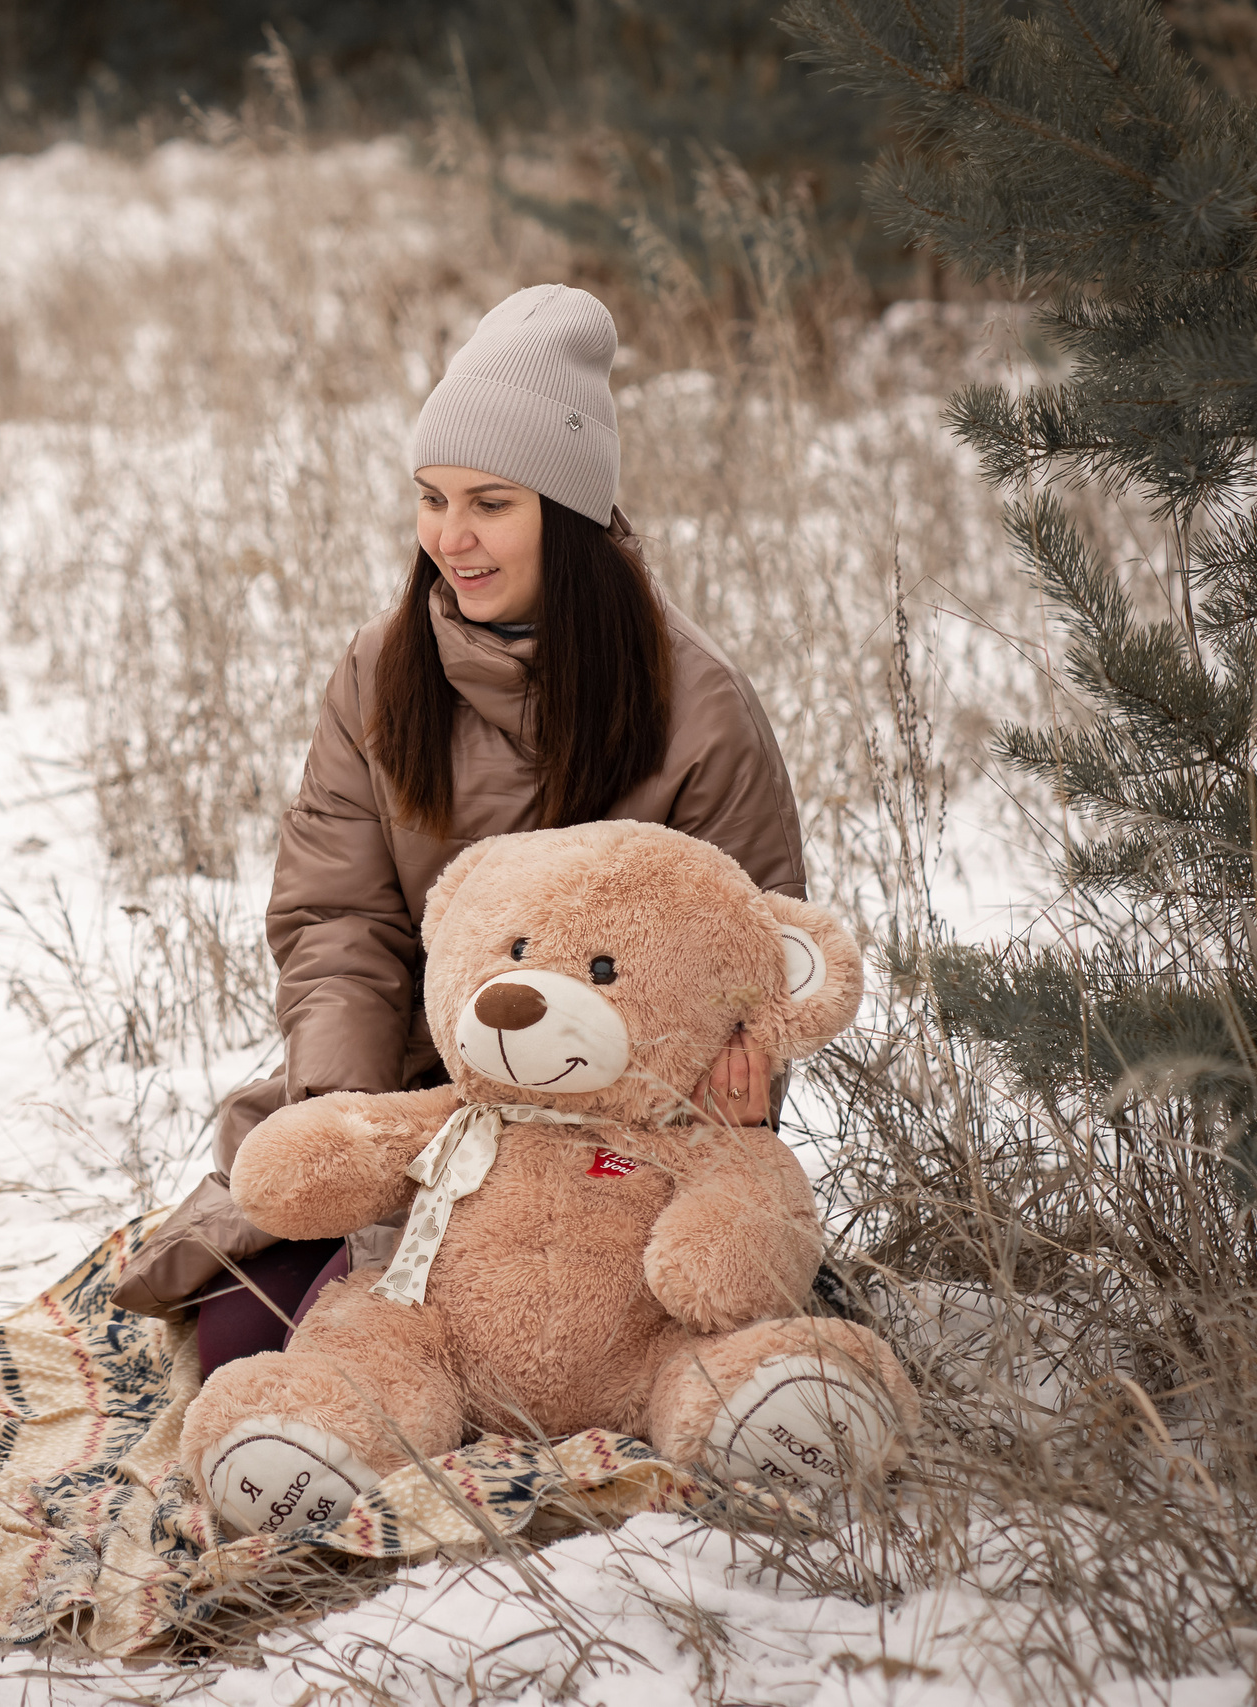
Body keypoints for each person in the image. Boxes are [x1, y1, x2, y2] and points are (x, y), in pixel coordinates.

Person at [110, 283, 804, 1372]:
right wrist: (345, 1117)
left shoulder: (697, 707)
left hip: (616, 1140)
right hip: (415, 1102)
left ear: (565, 516)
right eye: (431, 499)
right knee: (241, 1345)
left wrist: (745, 1062)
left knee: (580, 1347)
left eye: (490, 503)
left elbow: (759, 950)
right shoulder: (382, 674)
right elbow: (338, 917)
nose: (451, 539)